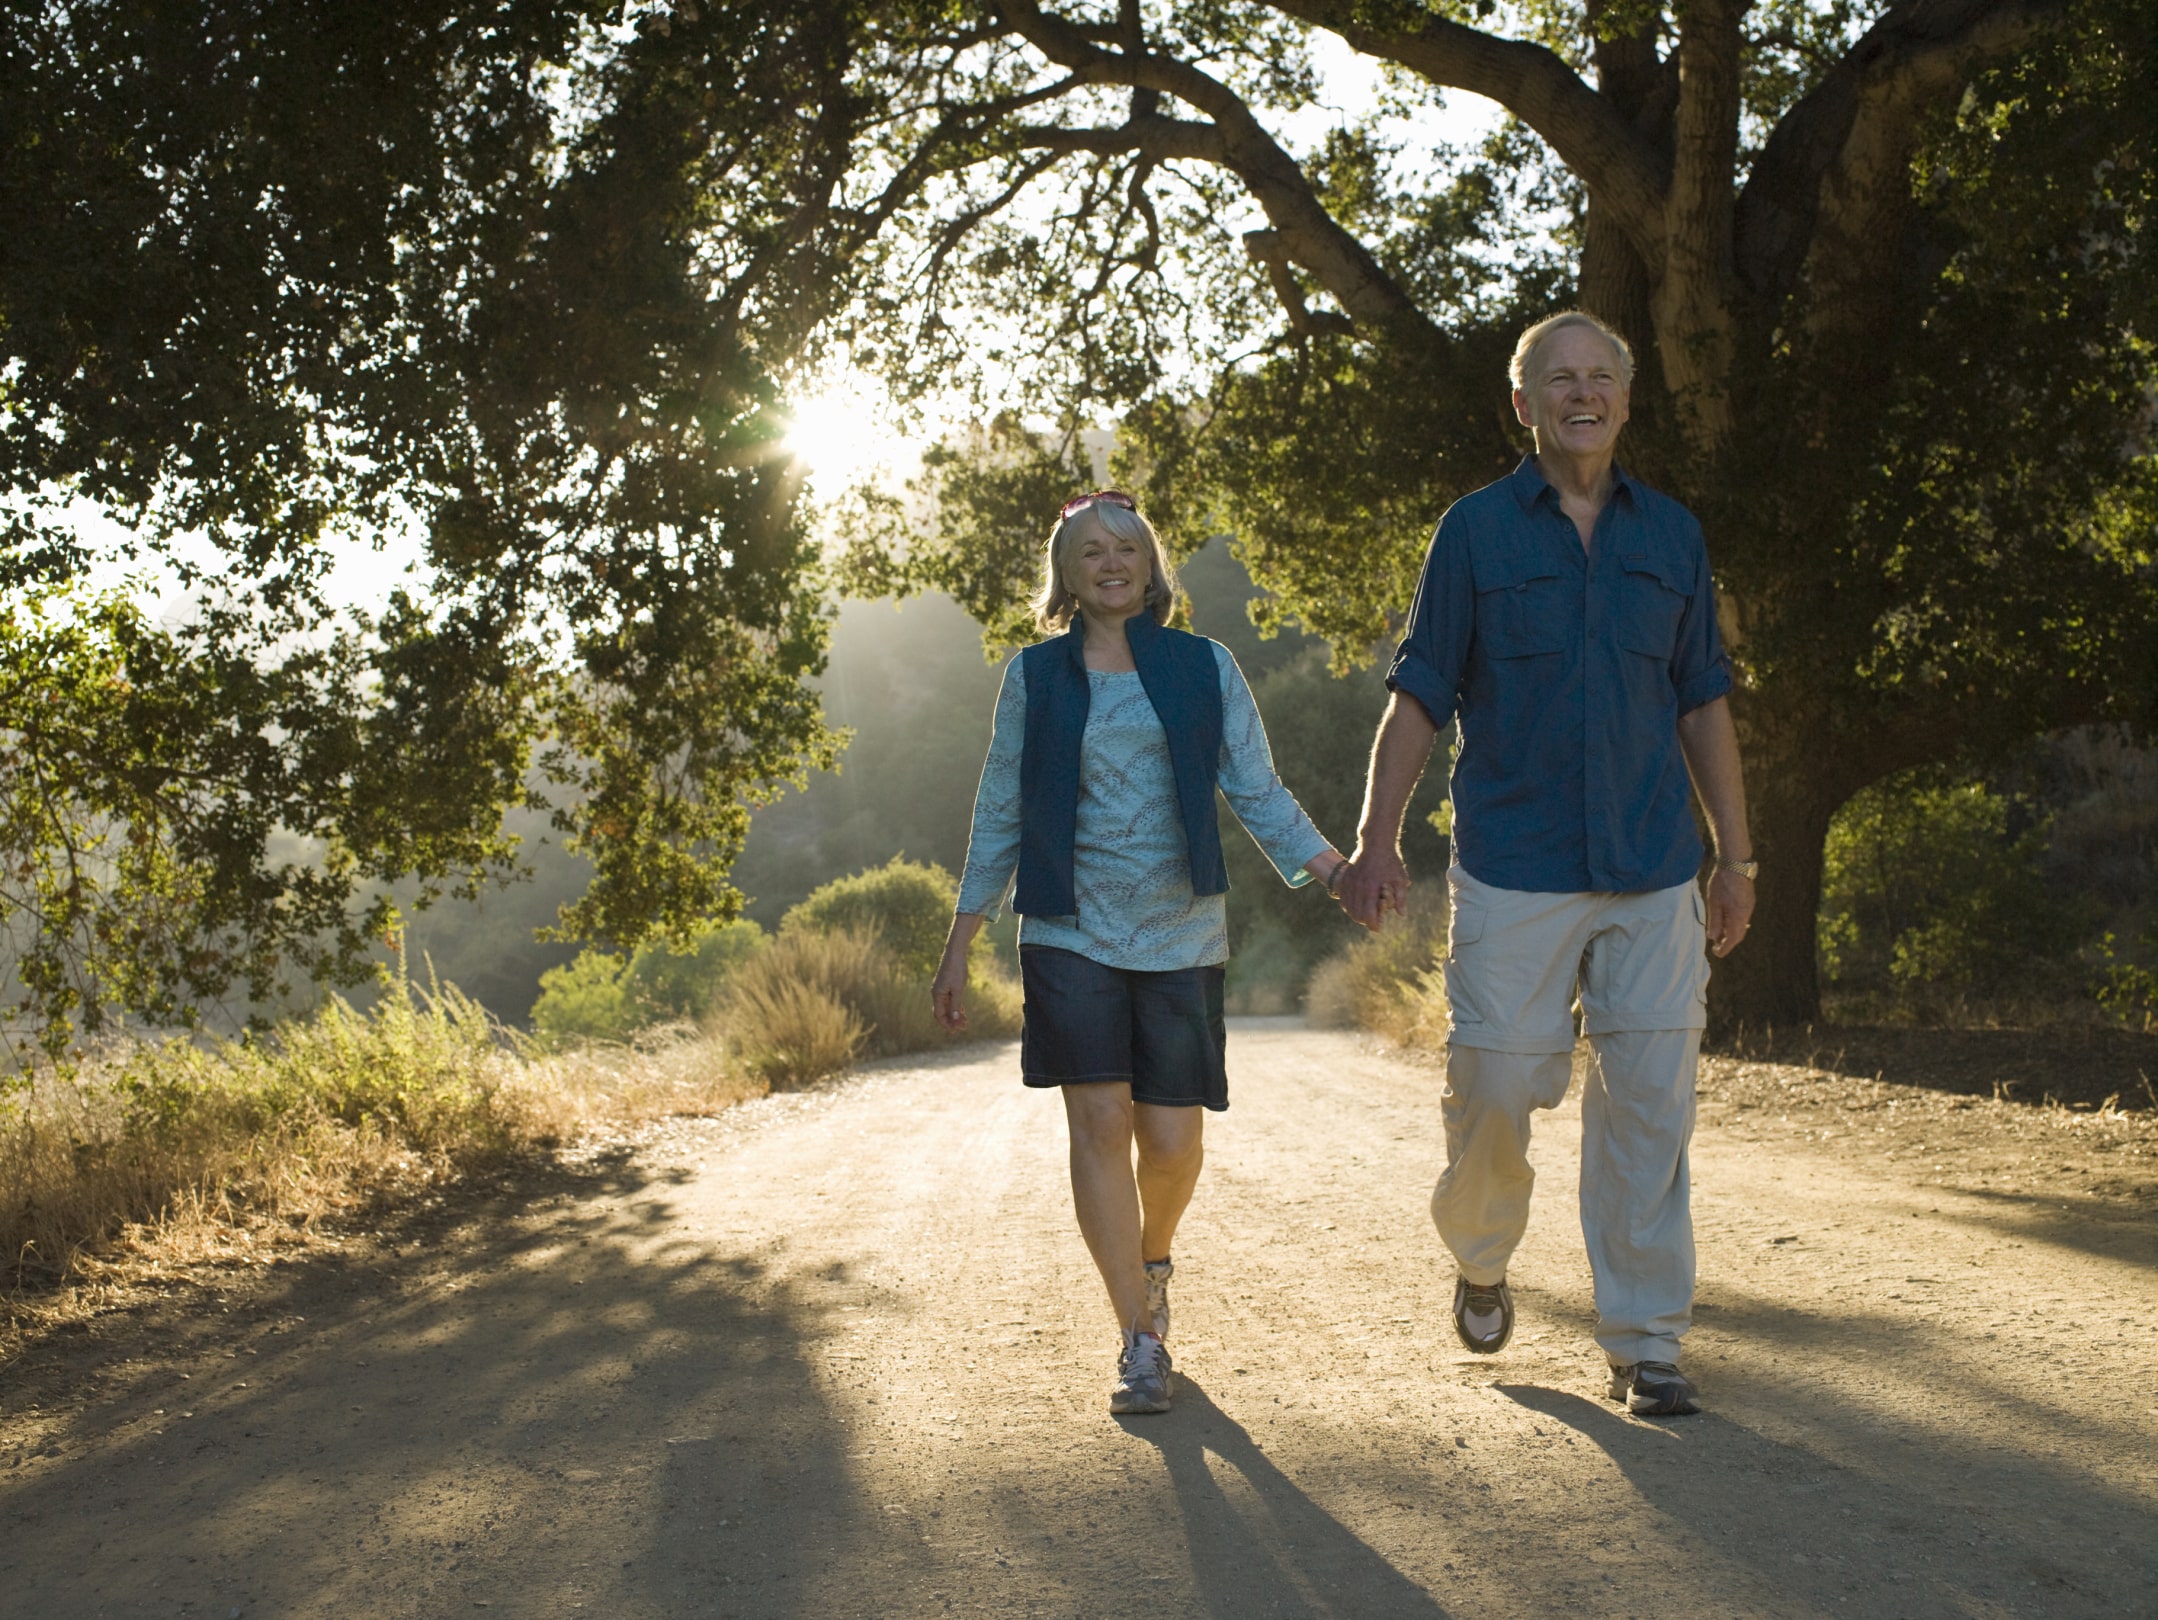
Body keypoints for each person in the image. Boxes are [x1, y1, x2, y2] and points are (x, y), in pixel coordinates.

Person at [1339, 311, 1755, 1417]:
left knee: (1650, 1106)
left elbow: (1702, 698)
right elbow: (1420, 693)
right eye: (1558, 380)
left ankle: (1644, 1340)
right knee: (1494, 1082)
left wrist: (1736, 857)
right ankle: (1481, 1254)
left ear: (1625, 397)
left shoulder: (1672, 537)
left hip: (1654, 862)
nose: (1583, 394)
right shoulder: (1474, 533)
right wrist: (1377, 840)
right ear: (1523, 405)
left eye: (1601, 378)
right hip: (1516, 861)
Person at [931, 490, 1348, 1417]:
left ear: (1153, 568)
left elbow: (1257, 787)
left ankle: (1153, 1258)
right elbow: (999, 809)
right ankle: (1137, 1336)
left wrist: (1335, 872)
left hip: (1182, 929)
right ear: (1066, 576)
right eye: (1090, 552)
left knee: (1169, 1140)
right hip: (1068, 927)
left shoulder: (1204, 665)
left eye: (1126, 547)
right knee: (1098, 1126)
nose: (1110, 562)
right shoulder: (1035, 677)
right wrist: (960, 942)